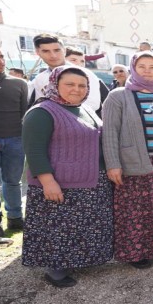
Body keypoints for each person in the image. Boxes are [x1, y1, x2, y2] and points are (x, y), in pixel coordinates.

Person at [21, 66, 113, 288]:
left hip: (90, 181)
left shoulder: (85, 109)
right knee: (57, 229)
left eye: (82, 85)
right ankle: (55, 270)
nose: (76, 89)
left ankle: (77, 260)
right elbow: (34, 151)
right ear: (55, 85)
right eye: (69, 84)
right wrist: (48, 181)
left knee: (79, 227)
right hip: (60, 183)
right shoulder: (42, 112)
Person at [102, 51, 153, 269]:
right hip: (133, 163)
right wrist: (113, 165)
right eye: (142, 66)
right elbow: (110, 132)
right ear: (133, 68)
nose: (147, 71)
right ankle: (136, 253)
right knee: (135, 211)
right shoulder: (118, 96)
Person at [0, 43, 28, 236]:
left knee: (13, 181)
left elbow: (25, 114)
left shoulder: (19, 83)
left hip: (16, 139)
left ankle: (15, 217)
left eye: (1, 56)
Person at [29, 34, 106, 114]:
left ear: (64, 51)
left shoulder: (84, 74)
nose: (53, 55)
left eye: (57, 50)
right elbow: (40, 105)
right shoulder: (40, 78)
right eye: (46, 51)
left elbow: (93, 104)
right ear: (38, 53)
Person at [64, 46, 110, 116]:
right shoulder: (51, 79)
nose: (79, 64)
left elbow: (109, 101)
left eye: (82, 61)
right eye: (73, 60)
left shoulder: (95, 81)